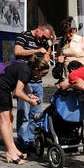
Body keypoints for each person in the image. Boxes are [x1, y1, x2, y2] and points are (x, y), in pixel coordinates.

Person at [0, 52, 50, 163]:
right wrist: (30, 101)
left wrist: (30, 94)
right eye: (43, 74)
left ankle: (14, 149)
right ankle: (10, 152)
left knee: (10, 120)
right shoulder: (26, 70)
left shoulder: (28, 69)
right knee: (5, 121)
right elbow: (18, 92)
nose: (43, 77)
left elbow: (23, 83)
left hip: (5, 90)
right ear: (36, 69)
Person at [13, 24, 55, 152]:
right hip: (25, 82)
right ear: (38, 30)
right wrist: (36, 51)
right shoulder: (24, 36)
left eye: (46, 39)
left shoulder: (45, 43)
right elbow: (17, 52)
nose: (43, 41)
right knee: (24, 114)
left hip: (38, 82)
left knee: (36, 114)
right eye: (43, 37)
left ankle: (31, 141)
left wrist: (47, 55)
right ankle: (22, 141)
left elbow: (46, 59)